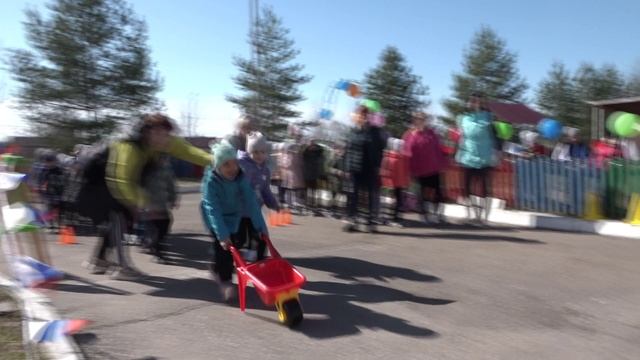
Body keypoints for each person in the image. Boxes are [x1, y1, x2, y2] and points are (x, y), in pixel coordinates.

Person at [81, 113, 212, 280]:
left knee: (116, 223)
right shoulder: (130, 147)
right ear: (146, 132)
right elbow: (122, 180)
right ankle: (122, 268)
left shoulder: (163, 143)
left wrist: (218, 161)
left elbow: (189, 152)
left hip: (120, 183)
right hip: (101, 183)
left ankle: (97, 261)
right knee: (119, 220)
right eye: (157, 133)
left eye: (166, 134)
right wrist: (141, 203)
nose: (163, 138)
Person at [201, 140, 268, 301]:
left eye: (234, 163)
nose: (232, 168)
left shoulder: (240, 178)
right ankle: (226, 282)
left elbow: (251, 202)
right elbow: (213, 209)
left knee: (235, 247)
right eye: (226, 165)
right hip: (215, 218)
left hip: (234, 216)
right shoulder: (211, 182)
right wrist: (222, 235)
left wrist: (261, 227)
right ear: (218, 166)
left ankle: (216, 267)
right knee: (223, 248)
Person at [455, 94, 498, 224]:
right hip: (467, 157)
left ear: (481, 103)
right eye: (471, 101)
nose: (474, 103)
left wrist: (497, 152)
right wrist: (456, 153)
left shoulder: (489, 117)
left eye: (477, 101)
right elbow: (460, 137)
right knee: (467, 188)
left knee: (485, 188)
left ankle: (484, 217)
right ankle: (471, 215)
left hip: (485, 157)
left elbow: (496, 136)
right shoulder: (462, 118)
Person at [343, 106, 386, 233]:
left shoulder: (375, 131)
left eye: (365, 115)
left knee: (371, 196)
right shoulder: (352, 131)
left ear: (369, 117)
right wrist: (346, 167)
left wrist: (378, 166)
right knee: (352, 195)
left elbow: (380, 150)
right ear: (356, 117)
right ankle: (352, 221)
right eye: (360, 115)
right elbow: (348, 150)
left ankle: (371, 222)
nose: (362, 117)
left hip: (370, 167)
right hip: (354, 168)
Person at [403, 112, 448, 225]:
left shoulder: (432, 133)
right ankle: (424, 215)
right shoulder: (410, 135)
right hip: (418, 168)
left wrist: (442, 163)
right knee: (421, 193)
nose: (420, 121)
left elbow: (438, 148)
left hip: (433, 167)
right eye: (418, 119)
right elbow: (406, 151)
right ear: (414, 120)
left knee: (437, 192)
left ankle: (436, 214)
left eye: (422, 119)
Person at [141, 154, 177, 264]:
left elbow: (171, 185)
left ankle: (153, 246)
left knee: (165, 224)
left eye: (165, 159)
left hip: (161, 204)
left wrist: (172, 199)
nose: (164, 161)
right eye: (162, 158)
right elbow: (139, 186)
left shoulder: (166, 171)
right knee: (156, 228)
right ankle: (158, 252)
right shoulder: (147, 171)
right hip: (149, 205)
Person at [238, 132, 280, 212]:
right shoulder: (243, 165)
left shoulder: (265, 170)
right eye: (255, 152)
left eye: (263, 152)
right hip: (241, 208)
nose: (259, 155)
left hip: (255, 208)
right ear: (248, 152)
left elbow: (265, 190)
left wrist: (273, 204)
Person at [380, 138, 410, 227]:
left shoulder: (400, 158)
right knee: (390, 202)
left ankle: (393, 219)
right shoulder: (390, 158)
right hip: (391, 184)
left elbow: (403, 172)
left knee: (395, 202)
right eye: (400, 146)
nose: (401, 147)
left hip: (397, 184)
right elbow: (385, 172)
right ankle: (388, 219)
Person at [302, 139, 326, 216]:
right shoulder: (306, 152)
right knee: (306, 191)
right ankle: (306, 205)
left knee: (314, 191)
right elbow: (303, 153)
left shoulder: (318, 152)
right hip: (307, 173)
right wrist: (307, 147)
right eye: (310, 144)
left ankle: (313, 205)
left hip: (315, 174)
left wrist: (316, 146)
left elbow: (321, 151)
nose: (312, 146)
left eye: (313, 144)